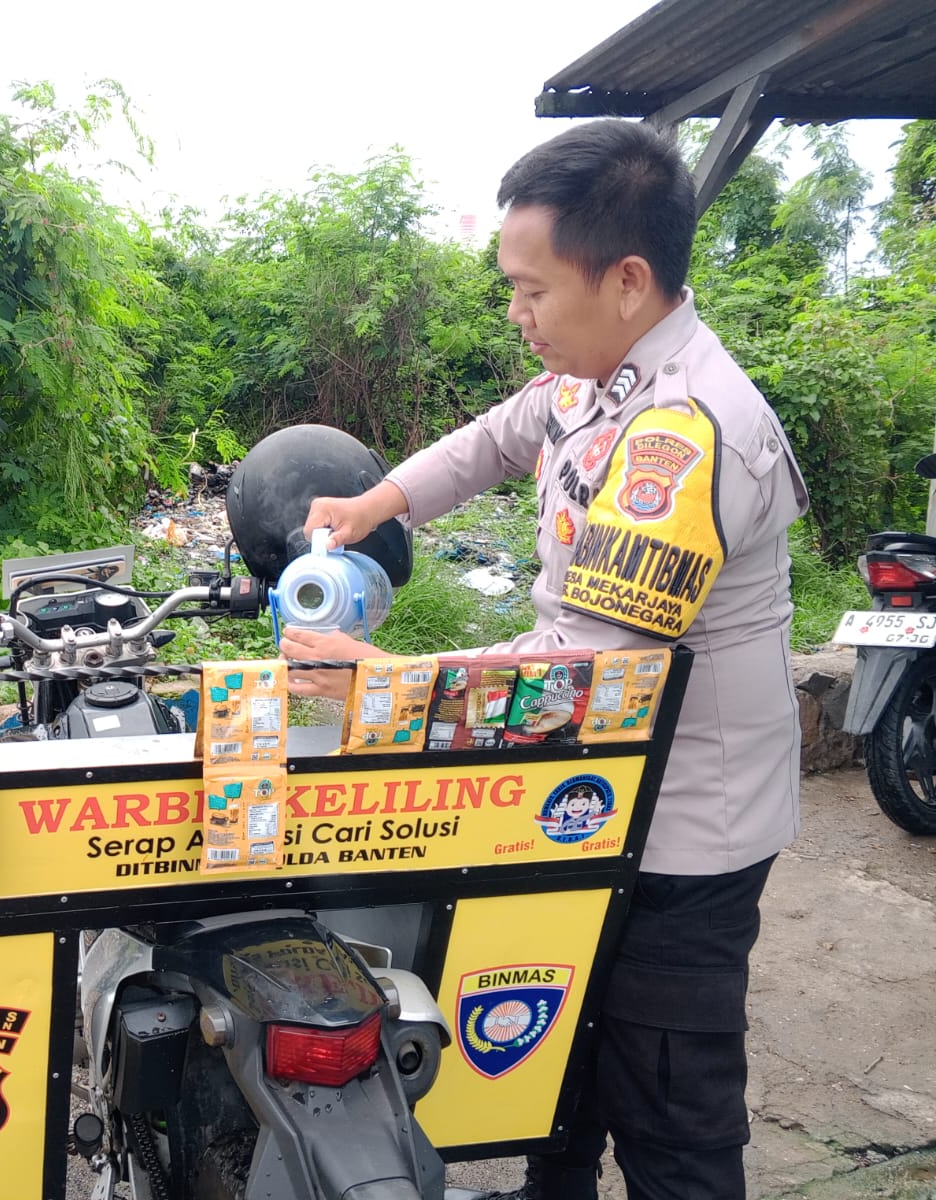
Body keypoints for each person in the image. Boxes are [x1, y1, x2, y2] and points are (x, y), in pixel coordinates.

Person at [282, 120, 809, 1200]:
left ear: (626, 280)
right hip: (593, 791)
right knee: (562, 1050)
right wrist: (378, 500)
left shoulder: (685, 433)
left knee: (670, 1104)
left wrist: (383, 680)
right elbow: (499, 435)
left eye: (532, 291)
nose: (517, 315)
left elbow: (582, 674)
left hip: (682, 828)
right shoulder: (596, 371)